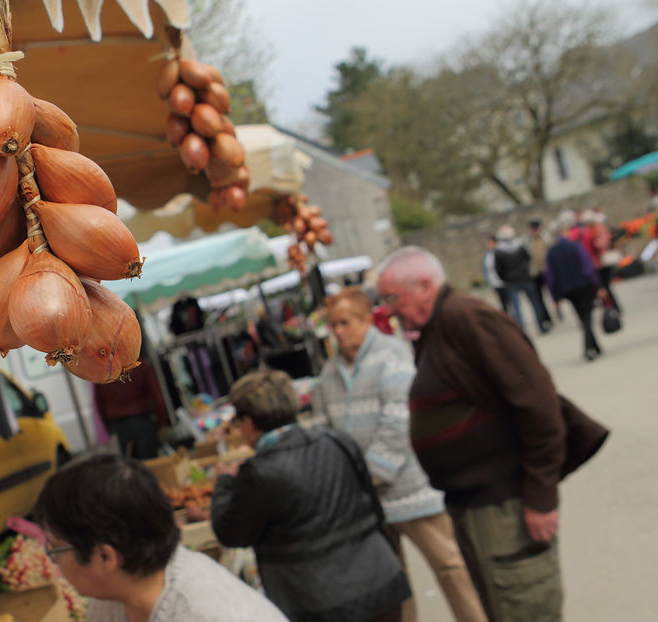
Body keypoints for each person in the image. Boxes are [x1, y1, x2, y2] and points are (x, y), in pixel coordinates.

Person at [375, 246, 609, 621]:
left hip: (506, 506)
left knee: (524, 608)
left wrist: (540, 496)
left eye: (391, 298)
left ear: (423, 285)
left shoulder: (469, 319)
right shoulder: (438, 328)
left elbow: (539, 405)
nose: (387, 309)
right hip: (476, 506)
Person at [313, 289, 486, 622]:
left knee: (451, 568)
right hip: (367, 502)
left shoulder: (391, 355)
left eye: (344, 323)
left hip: (409, 489)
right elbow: (324, 432)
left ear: (366, 320)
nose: (337, 332)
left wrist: (370, 474)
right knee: (392, 587)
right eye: (332, 325)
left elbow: (400, 419)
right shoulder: (328, 375)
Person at [210, 369, 410, 622]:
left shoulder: (258, 472)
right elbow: (372, 506)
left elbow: (231, 532)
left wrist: (224, 482)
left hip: (320, 603)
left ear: (249, 424)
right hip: (380, 584)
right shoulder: (336, 440)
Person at [33, 454, 288, 622]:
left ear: (104, 556)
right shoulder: (116, 597)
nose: (54, 563)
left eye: (55, 550)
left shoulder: (205, 613)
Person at [544, 219, 608, 361]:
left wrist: (555, 297)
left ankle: (595, 347)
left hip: (568, 290)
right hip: (583, 286)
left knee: (583, 317)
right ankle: (587, 347)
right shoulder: (575, 246)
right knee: (587, 317)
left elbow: (550, 277)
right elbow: (587, 267)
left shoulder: (551, 253)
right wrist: (598, 285)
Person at [92, 359, 168, 460]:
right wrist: (162, 423)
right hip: (142, 422)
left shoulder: (101, 371)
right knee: (151, 464)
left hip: (119, 426)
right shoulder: (140, 365)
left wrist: (109, 428)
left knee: (131, 468)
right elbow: (156, 396)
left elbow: (100, 404)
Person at [493, 225, 550, 333]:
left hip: (512, 282)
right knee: (534, 304)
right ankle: (542, 326)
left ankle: (521, 331)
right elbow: (528, 259)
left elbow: (499, 269)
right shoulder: (519, 246)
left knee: (517, 308)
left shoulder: (499, 251)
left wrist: (506, 278)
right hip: (525, 279)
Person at [526, 220, 556, 327]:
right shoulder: (528, 241)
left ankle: (558, 310)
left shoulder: (546, 238)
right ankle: (546, 317)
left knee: (553, 292)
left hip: (548, 270)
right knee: (539, 297)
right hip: (536, 272)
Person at [481, 237, 510, 315]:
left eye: (490, 243)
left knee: (509, 301)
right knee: (502, 302)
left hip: (504, 281)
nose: (489, 245)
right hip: (494, 282)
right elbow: (485, 269)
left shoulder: (500, 252)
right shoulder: (487, 255)